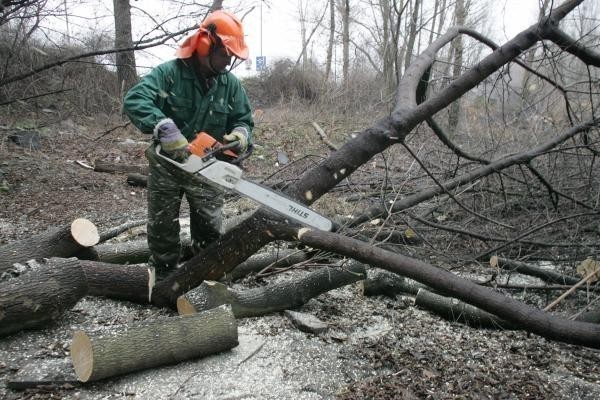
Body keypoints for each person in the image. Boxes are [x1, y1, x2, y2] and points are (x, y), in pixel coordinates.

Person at [123, 10, 254, 277]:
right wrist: (164, 127)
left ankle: (207, 276)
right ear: (206, 44)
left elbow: (243, 118)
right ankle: (163, 275)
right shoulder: (169, 74)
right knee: (162, 226)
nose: (229, 60)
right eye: (225, 52)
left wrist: (240, 135)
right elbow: (135, 99)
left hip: (207, 165)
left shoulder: (229, 84)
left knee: (209, 227)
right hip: (167, 164)